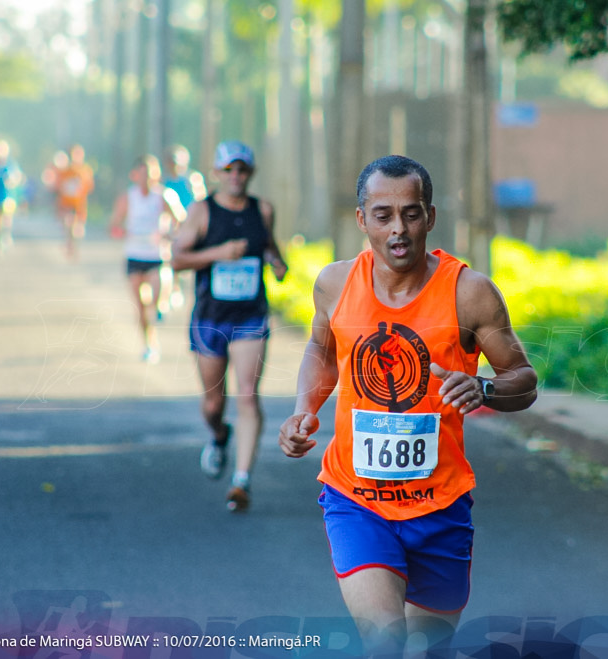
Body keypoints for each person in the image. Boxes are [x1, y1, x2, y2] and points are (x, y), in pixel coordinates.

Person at [278, 155, 538, 655]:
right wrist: (302, 409)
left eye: (411, 213)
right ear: (362, 220)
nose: (398, 229)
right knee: (385, 641)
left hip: (440, 506)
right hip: (357, 501)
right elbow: (322, 351)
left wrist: (482, 389)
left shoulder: (470, 294)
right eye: (383, 215)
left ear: (430, 217)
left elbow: (523, 381)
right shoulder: (334, 285)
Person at [171, 140, 288, 512]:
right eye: (229, 170)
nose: (236, 176)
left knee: (248, 395)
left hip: (250, 316)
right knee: (213, 403)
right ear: (217, 173)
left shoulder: (263, 209)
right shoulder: (202, 212)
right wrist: (218, 254)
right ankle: (220, 435)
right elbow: (177, 259)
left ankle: (241, 481)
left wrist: (277, 262)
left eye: (242, 170)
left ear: (249, 173)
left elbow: (268, 245)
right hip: (210, 318)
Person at [109, 155, 186, 364]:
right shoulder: (128, 197)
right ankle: (149, 345)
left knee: (155, 298)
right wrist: (122, 231)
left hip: (156, 255)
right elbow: (113, 226)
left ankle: (162, 304)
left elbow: (181, 221)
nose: (147, 178)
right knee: (140, 307)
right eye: (142, 174)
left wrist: (170, 235)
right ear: (134, 175)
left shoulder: (163, 196)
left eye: (151, 174)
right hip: (134, 255)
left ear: (157, 175)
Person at [160, 144, 207, 317]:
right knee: (170, 256)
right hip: (173, 224)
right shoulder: (164, 181)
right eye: (171, 161)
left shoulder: (192, 179)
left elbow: (201, 200)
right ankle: (173, 288)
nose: (174, 165)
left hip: (191, 224)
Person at [55, 144, 95, 261]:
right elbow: (58, 186)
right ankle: (69, 245)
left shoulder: (85, 170)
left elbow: (89, 186)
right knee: (68, 225)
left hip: (79, 205)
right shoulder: (65, 171)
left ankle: (74, 247)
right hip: (66, 203)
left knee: (78, 229)